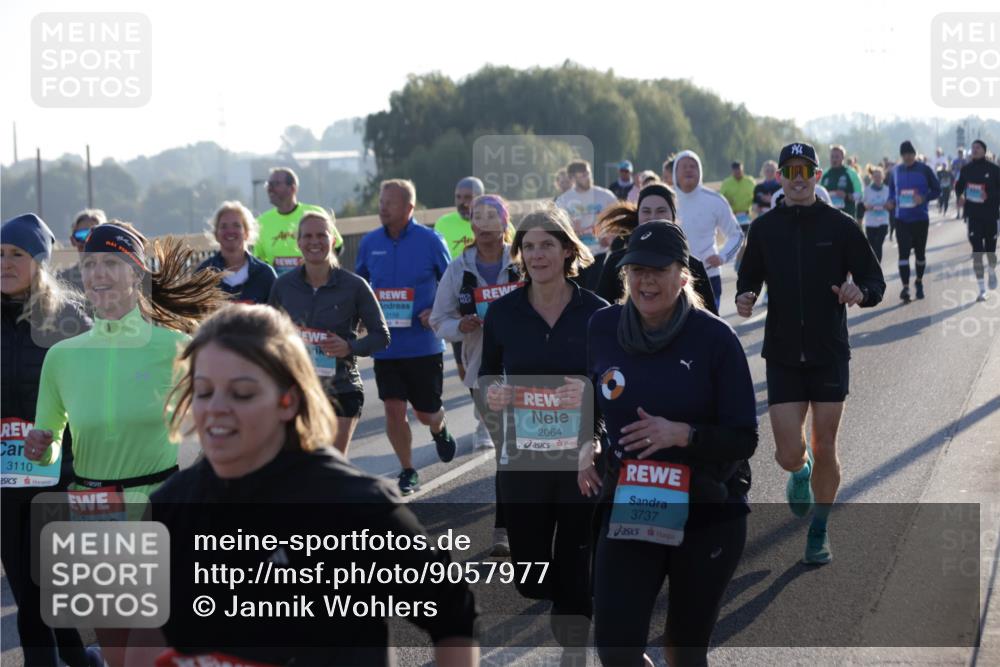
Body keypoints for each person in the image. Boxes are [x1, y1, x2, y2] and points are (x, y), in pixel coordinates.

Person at [130, 305, 479, 666]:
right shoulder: (170, 507)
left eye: (243, 393)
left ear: (288, 401)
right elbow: (147, 632)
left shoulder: (353, 506)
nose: (216, 408)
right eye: (203, 391)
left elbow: (453, 614)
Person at [24, 221, 226, 665]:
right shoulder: (61, 356)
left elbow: (221, 427)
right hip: (90, 512)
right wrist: (42, 447)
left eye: (111, 263)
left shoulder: (176, 348)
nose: (98, 274)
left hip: (160, 506)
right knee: (117, 650)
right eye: (90, 264)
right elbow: (52, 440)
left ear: (136, 274)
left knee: (159, 645)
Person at [584, 221, 757, 666]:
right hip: (631, 506)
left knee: (683, 650)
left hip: (706, 511)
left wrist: (682, 434)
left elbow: (744, 438)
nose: (644, 280)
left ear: (683, 275)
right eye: (635, 270)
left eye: (657, 270)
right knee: (616, 649)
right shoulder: (602, 328)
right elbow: (590, 403)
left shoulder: (715, 338)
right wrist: (590, 445)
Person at [736, 141, 885, 565]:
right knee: (787, 454)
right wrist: (746, 298)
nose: (798, 179)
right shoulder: (763, 229)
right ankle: (799, 474)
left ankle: (819, 527)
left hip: (829, 352)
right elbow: (749, 282)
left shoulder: (840, 225)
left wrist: (862, 292)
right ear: (779, 178)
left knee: (824, 445)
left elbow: (874, 280)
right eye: (790, 171)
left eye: (806, 171)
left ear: (817, 177)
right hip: (782, 353)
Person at [478, 205, 605, 663]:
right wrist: (492, 402)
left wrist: (588, 397)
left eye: (547, 245)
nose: (537, 255)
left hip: (581, 458)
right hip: (524, 459)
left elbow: (615, 386)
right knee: (530, 576)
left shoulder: (598, 313)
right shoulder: (503, 314)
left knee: (576, 557)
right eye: (528, 246)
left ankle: (576, 639)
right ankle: (570, 598)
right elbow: (488, 376)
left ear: (568, 250)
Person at [1, 214, 101, 667]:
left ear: (38, 262)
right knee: (26, 590)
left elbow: (96, 397)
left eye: (16, 255)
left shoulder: (68, 320)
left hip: (56, 475)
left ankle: (79, 661)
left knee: (56, 591)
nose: (4, 263)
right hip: (4, 480)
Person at [430, 194, 520, 556]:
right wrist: (461, 325)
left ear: (504, 221)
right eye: (478, 219)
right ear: (472, 226)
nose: (485, 226)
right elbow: (439, 321)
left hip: (531, 368)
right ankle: (504, 530)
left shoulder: (523, 259)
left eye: (492, 218)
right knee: (508, 451)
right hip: (485, 370)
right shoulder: (458, 269)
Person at [356, 179, 457, 495]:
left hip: (423, 344)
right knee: (393, 408)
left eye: (390, 202)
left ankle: (439, 428)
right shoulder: (369, 242)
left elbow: (451, 282)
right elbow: (359, 285)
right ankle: (408, 469)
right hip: (385, 345)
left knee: (426, 413)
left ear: (409, 208)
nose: (382, 207)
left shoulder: (430, 240)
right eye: (381, 202)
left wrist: (435, 311)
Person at [269, 209, 390, 454]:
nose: (315, 242)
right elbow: (267, 337)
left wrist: (349, 347)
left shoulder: (354, 286)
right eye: (308, 236)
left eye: (322, 235)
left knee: (331, 465)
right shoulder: (283, 286)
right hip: (298, 390)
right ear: (299, 242)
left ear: (333, 240)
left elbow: (381, 337)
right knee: (301, 468)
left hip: (342, 388)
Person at [594, 183, 718, 315]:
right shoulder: (617, 262)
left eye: (661, 211)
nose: (653, 217)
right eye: (646, 211)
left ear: (674, 217)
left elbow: (713, 322)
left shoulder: (692, 265)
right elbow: (601, 317)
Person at [672, 150, 744, 310]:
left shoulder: (714, 200)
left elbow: (737, 235)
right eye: (684, 166)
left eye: (693, 166)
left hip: (709, 276)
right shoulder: (667, 201)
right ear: (675, 173)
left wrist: (723, 256)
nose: (689, 170)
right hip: (673, 279)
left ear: (700, 172)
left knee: (707, 331)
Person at [253, 167, 342, 275]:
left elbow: (337, 246)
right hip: (280, 288)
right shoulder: (262, 222)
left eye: (276, 184)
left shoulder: (314, 213)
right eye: (269, 184)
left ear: (292, 188)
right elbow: (259, 259)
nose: (270, 188)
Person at [889, 140, 941, 302]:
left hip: (920, 219)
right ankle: (905, 288)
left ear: (915, 154)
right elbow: (891, 191)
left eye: (910, 154)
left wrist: (923, 198)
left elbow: (937, 190)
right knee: (903, 254)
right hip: (902, 219)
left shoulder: (925, 170)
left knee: (920, 255)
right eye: (905, 154)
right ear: (901, 156)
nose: (908, 157)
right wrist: (891, 200)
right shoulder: (895, 171)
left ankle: (918, 281)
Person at [196, 201, 276, 304]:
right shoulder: (203, 275)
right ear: (216, 234)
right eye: (224, 226)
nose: (230, 231)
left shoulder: (265, 274)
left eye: (236, 225)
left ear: (247, 233)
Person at [555, 159, 618, 290]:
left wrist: (610, 237)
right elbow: (557, 229)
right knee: (578, 295)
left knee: (598, 293)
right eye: (582, 175)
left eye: (588, 173)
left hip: (600, 254)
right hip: (576, 256)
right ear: (572, 178)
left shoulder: (605, 196)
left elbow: (618, 219)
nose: (588, 178)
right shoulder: (563, 201)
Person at [955, 139, 1000, 301]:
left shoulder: (994, 169)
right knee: (977, 251)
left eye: (978, 147)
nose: (974, 150)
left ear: (984, 150)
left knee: (990, 251)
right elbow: (959, 187)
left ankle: (992, 270)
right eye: (973, 147)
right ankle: (982, 289)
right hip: (973, 216)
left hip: (990, 216)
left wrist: (989, 196)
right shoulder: (966, 169)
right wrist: (960, 196)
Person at [58, 208, 106, 292]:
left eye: (94, 235)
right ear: (73, 240)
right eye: (81, 235)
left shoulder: (117, 276)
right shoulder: (62, 281)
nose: (87, 242)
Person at [859, 167, 892, 263]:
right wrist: (866, 206)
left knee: (878, 244)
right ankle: (873, 266)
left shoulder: (887, 190)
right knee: (872, 246)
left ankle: (877, 267)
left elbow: (891, 204)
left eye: (879, 176)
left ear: (883, 177)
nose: (877, 178)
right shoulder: (867, 190)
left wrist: (888, 205)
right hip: (870, 223)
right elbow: (862, 204)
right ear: (872, 177)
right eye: (875, 176)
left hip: (883, 221)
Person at [820, 145, 863, 219]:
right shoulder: (825, 174)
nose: (834, 159)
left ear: (843, 157)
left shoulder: (851, 173)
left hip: (847, 217)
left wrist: (847, 196)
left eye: (837, 157)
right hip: (828, 217)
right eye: (832, 156)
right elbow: (818, 195)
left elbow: (860, 194)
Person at [719, 161, 756, 231]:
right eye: (735, 171)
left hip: (746, 215)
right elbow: (720, 198)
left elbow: (756, 195)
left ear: (742, 169)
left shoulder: (750, 181)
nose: (737, 172)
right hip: (732, 216)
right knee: (734, 238)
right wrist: (726, 200)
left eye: (739, 170)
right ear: (732, 171)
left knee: (746, 236)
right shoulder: (726, 183)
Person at [952, 148, 969, 219]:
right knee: (958, 197)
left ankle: (963, 213)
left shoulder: (965, 161)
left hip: (964, 181)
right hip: (957, 181)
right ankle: (958, 213)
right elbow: (952, 170)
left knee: (965, 197)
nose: (960, 154)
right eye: (959, 153)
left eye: (961, 153)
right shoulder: (955, 161)